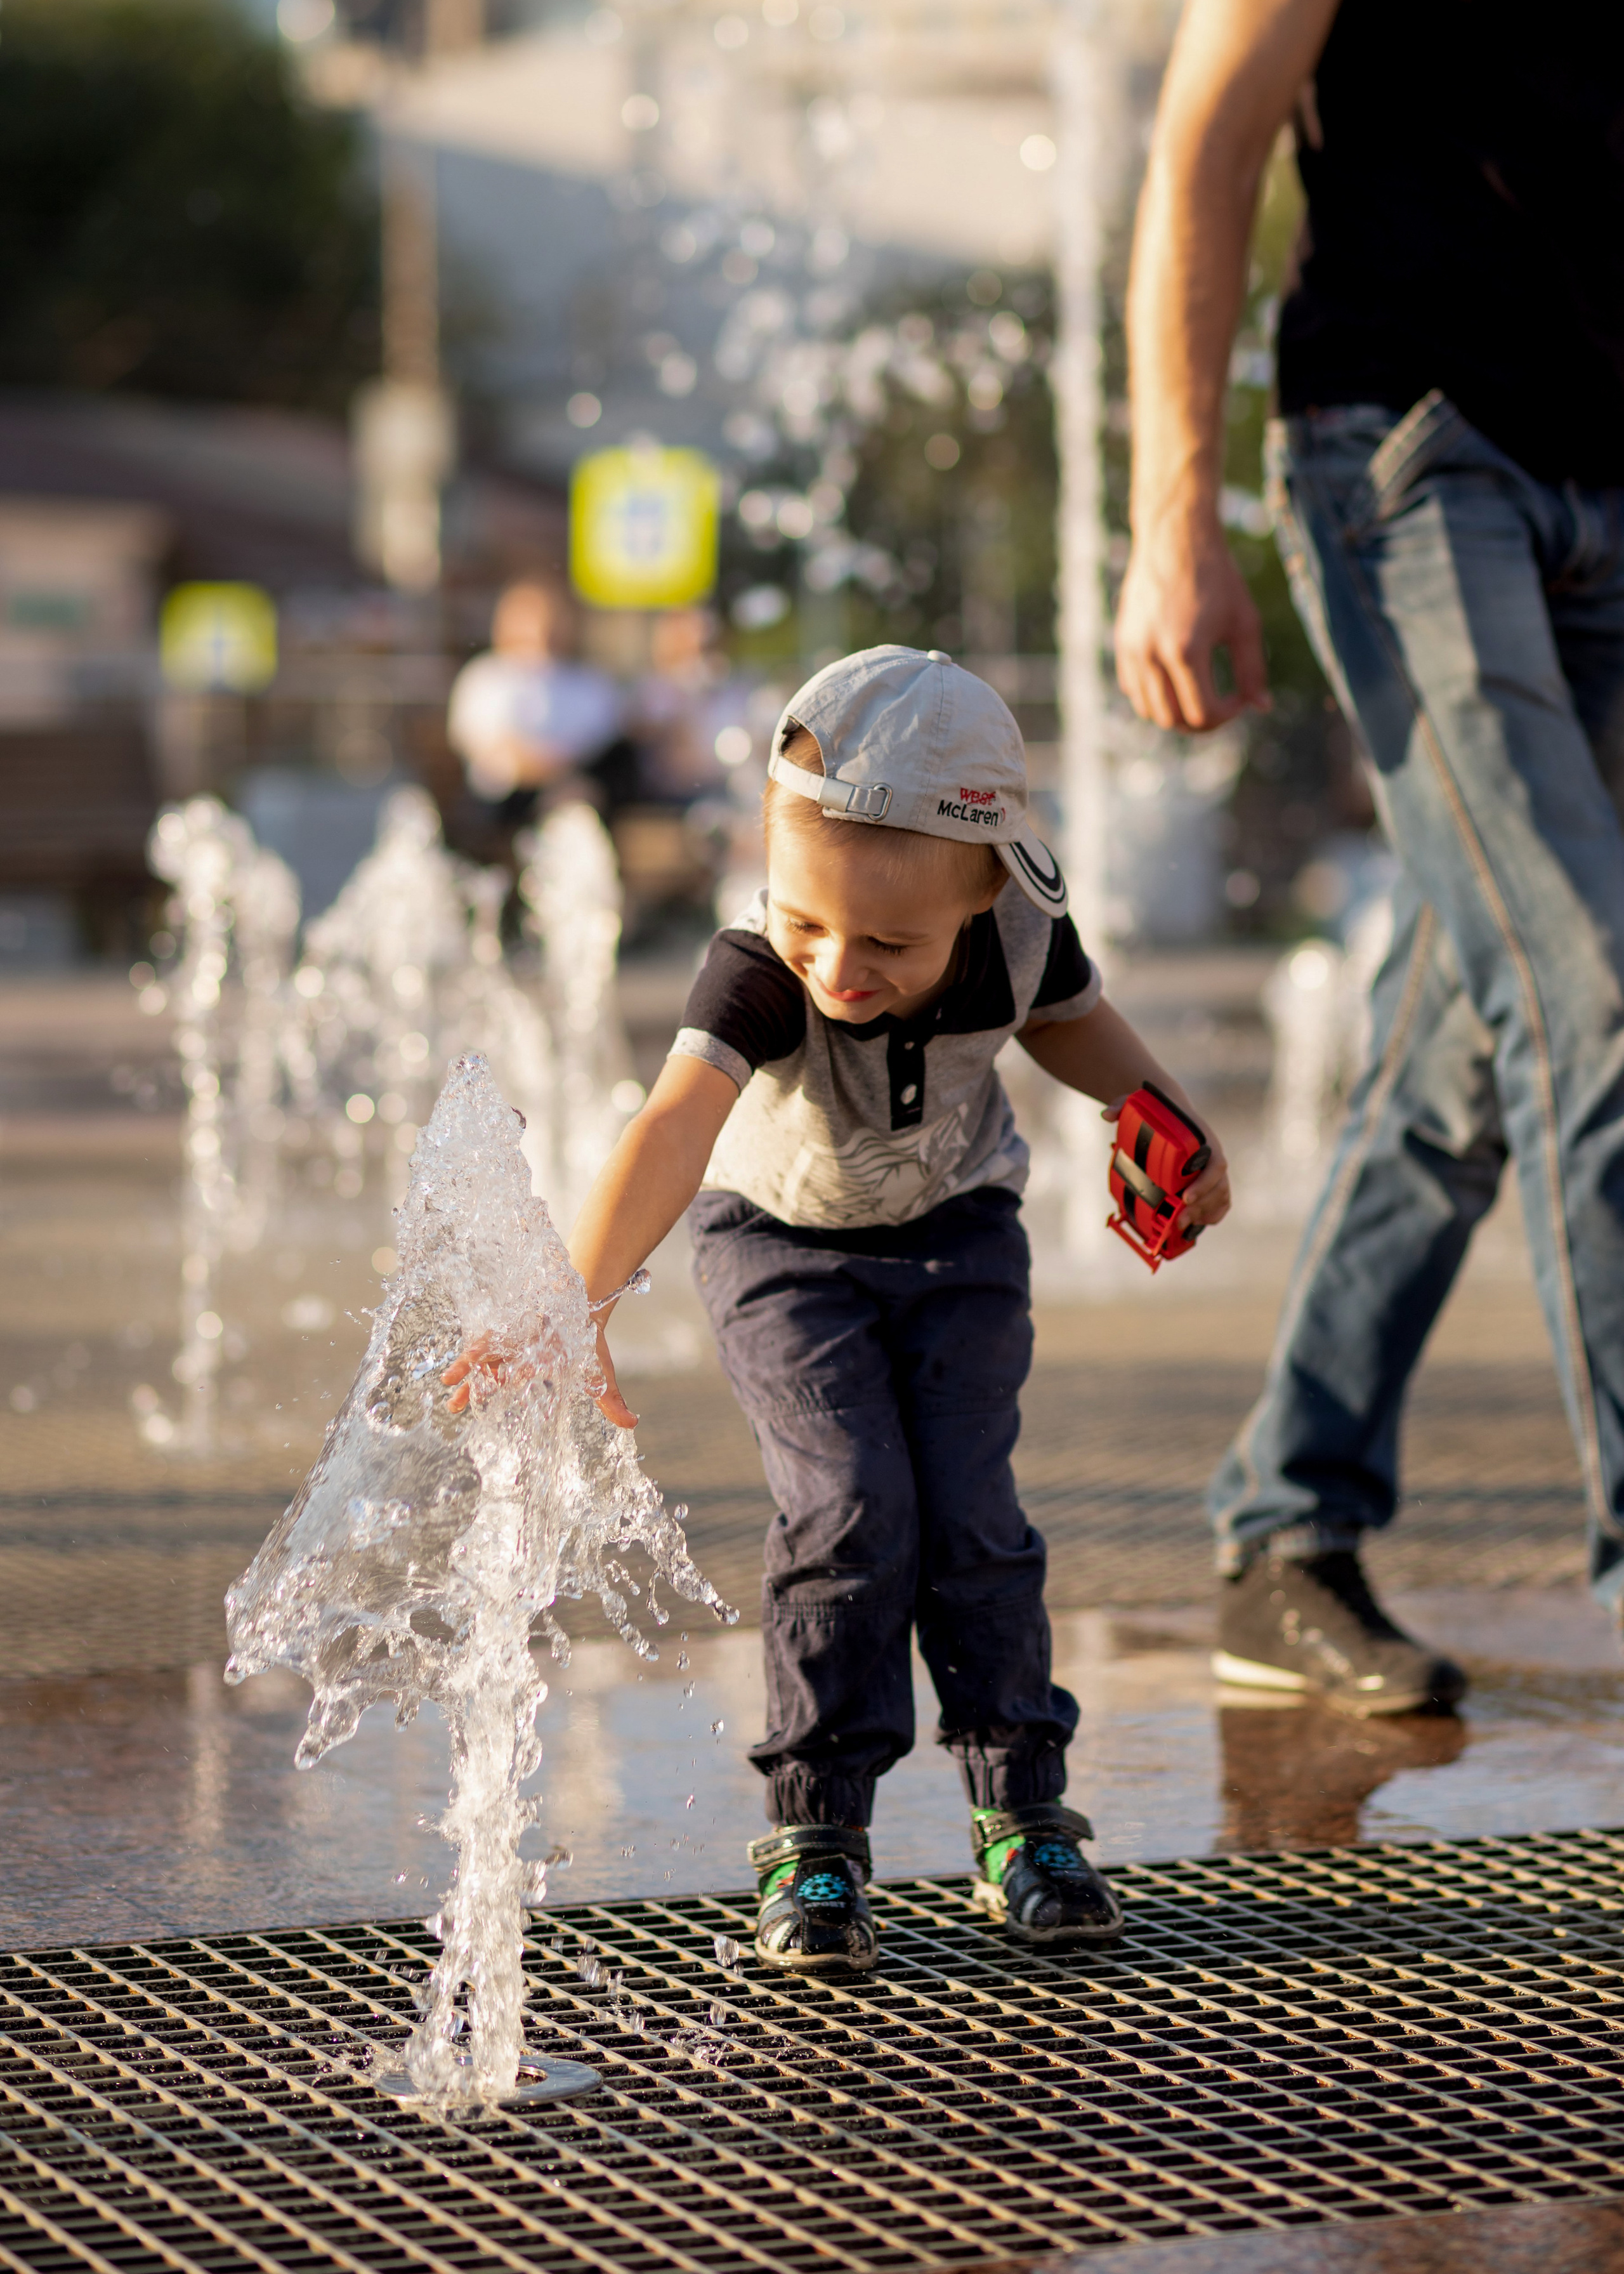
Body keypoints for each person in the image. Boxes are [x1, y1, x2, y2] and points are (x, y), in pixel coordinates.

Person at [448, 645, 1231, 1973]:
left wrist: (1166, 1119)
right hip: (781, 1248)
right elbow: (672, 1123)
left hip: (959, 1236)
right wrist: (573, 1301)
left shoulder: (1020, 931)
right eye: (809, 919)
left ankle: (1021, 1809)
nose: (839, 964)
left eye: (889, 942)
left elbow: (1066, 1020)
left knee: (972, 1514)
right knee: (852, 1506)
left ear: (986, 892)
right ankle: (814, 1831)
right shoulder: (759, 966)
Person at [1115, 2, 1624, 1712]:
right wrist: (1173, 516)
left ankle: (1286, 1524)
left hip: (1601, 476)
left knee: (1463, 1047)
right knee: (1590, 997)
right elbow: (1204, 140)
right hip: (1408, 451)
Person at [447, 580, 626, 831]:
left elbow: (605, 742)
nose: (541, 629)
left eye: (550, 618)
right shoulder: (485, 677)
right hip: (504, 799)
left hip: (574, 792)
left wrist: (567, 773)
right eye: (528, 618)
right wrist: (541, 769)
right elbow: (485, 745)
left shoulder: (588, 681)